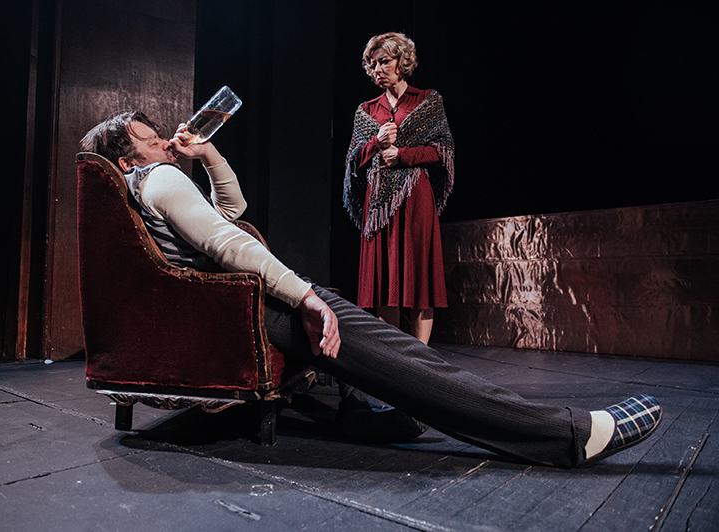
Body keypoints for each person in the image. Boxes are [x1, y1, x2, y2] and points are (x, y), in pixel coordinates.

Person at [80, 110, 662, 469]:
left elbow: (229, 212)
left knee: (381, 354)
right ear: (129, 158)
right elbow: (228, 242)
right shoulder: (159, 178)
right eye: (151, 139)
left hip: (229, 309)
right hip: (248, 309)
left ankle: (359, 418)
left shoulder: (143, 190)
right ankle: (568, 435)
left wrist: (208, 154)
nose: (165, 142)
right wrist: (305, 296)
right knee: (407, 358)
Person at [344, 32, 454, 345]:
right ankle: (394, 358)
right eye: (372, 64)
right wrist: (375, 143)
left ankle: (420, 358)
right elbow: (353, 162)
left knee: (420, 281)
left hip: (416, 197)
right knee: (384, 283)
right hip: (379, 203)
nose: (377, 69)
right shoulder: (367, 110)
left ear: (401, 61)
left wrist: (403, 155)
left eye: (384, 61)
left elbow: (443, 151)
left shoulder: (427, 101)